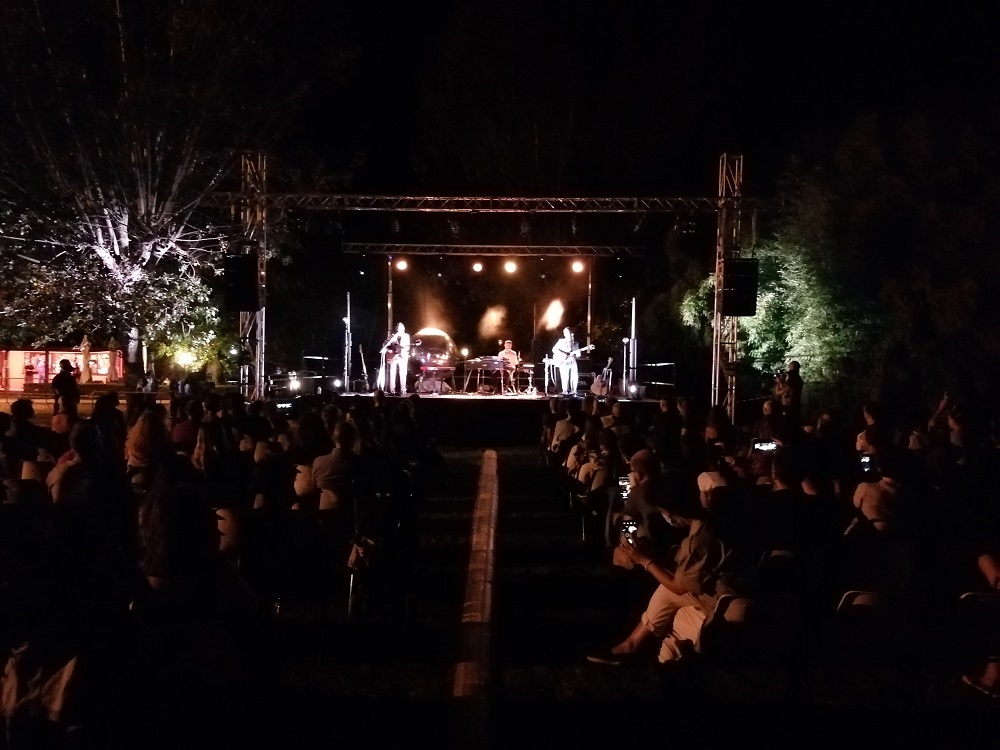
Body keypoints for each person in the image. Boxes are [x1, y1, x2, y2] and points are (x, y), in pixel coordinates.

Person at [382, 323, 411, 396]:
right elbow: (385, 345)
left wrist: (402, 351)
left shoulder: (406, 336)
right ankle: (392, 389)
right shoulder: (392, 336)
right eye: (398, 327)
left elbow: (408, 346)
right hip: (393, 356)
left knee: (403, 373)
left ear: (403, 328)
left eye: (401, 327)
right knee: (392, 373)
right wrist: (390, 351)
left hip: (402, 356)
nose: (399, 328)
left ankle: (403, 389)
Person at [552, 327, 580, 396]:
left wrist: (578, 353)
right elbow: (554, 349)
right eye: (567, 333)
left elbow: (578, 355)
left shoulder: (575, 343)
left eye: (570, 332)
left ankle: (574, 391)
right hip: (564, 361)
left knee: (574, 376)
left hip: (572, 361)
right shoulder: (561, 341)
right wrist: (563, 354)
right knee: (565, 376)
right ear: (565, 334)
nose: (570, 334)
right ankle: (565, 391)